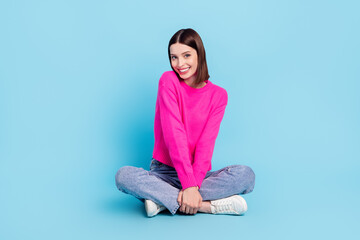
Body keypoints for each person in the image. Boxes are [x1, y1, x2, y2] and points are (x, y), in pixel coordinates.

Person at [115, 28, 255, 217]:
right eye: (174, 57)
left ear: (199, 54)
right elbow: (174, 133)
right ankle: (207, 206)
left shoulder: (218, 95)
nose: (180, 64)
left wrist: (193, 185)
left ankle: (163, 201)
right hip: (163, 173)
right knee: (123, 176)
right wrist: (188, 186)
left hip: (198, 175)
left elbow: (206, 145)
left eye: (186, 55)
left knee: (246, 175)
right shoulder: (168, 81)